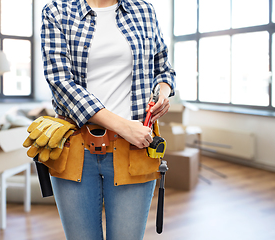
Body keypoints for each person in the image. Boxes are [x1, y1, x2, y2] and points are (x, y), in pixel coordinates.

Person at [40, 0, 175, 239]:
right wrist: (123, 127)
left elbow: (163, 68)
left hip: (134, 149)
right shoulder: (57, 11)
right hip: (75, 147)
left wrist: (163, 91)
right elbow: (60, 81)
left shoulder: (144, 10)